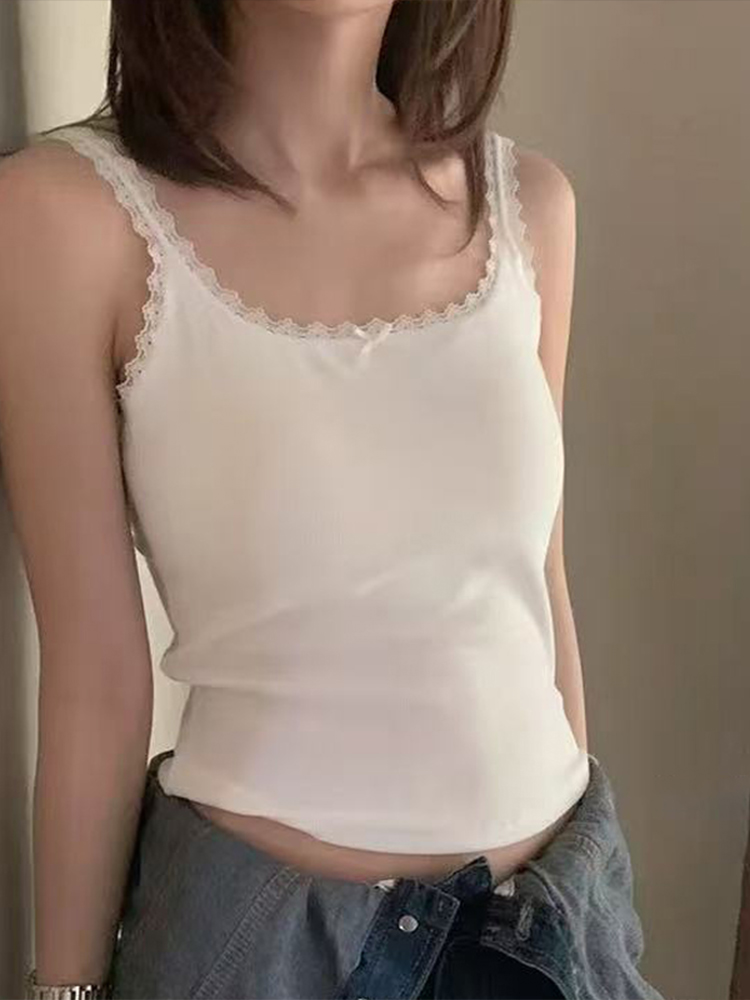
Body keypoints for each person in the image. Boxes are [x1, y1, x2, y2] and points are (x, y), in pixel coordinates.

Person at [0, 1, 664, 998]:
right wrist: (66, 987)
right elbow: (96, 675)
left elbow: (537, 586)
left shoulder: (533, 204)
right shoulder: (62, 215)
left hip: (557, 927)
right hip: (271, 950)